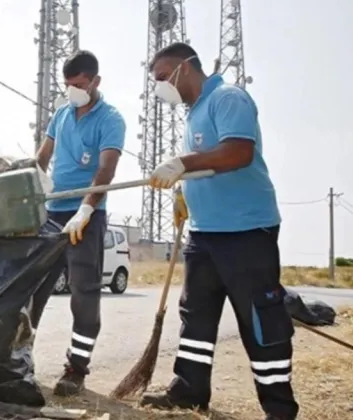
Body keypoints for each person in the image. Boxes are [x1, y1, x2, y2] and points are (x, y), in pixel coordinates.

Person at [141, 42, 298, 420]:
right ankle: (189, 390)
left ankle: (279, 409)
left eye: (163, 77)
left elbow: (237, 153)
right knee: (195, 315)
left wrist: (182, 163)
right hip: (204, 232)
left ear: (185, 68)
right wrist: (184, 192)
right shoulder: (194, 114)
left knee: (260, 320)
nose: (160, 87)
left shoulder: (228, 99)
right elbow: (201, 167)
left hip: (245, 231)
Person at [35, 50, 125, 396]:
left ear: (95, 82)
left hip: (86, 215)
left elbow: (105, 170)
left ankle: (77, 367)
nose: (73, 91)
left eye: (80, 85)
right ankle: (16, 357)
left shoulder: (110, 119)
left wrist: (86, 209)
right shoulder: (61, 114)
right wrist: (31, 178)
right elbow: (43, 157)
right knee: (33, 286)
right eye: (68, 85)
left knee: (84, 293)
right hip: (53, 211)